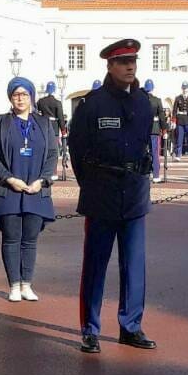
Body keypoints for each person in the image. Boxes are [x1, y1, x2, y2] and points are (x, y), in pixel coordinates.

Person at [68, 38, 156, 354]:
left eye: (133, 60)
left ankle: (130, 327)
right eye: (123, 62)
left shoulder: (145, 102)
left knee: (134, 265)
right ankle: (90, 329)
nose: (130, 66)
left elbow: (147, 144)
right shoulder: (93, 104)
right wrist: (90, 184)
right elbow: (76, 149)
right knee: (95, 264)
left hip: (133, 192)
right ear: (110, 65)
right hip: (101, 191)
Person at [0, 77, 57, 302]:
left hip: (36, 189)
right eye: (16, 94)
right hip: (9, 189)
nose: (20, 99)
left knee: (30, 240)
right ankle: (14, 285)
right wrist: (8, 178)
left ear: (31, 97)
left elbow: (53, 154)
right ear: (10, 97)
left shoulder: (44, 123)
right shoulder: (0, 122)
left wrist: (43, 180)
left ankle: (27, 284)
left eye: (24, 94)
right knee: (11, 238)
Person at [36, 81, 66, 181]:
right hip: (54, 128)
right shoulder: (57, 103)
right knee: (54, 151)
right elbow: (61, 118)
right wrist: (63, 131)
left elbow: (37, 113)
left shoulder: (40, 101)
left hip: (43, 126)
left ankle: (43, 172)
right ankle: (53, 172)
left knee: (44, 150)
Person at [144, 79, 168, 182]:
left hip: (143, 130)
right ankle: (156, 175)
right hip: (154, 128)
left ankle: (145, 173)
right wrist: (164, 130)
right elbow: (162, 117)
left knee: (144, 153)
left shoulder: (140, 100)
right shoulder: (157, 100)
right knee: (155, 153)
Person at [171, 82, 188, 160]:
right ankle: (178, 154)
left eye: (186, 88)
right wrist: (174, 121)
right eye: (183, 88)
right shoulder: (178, 98)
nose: (185, 90)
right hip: (180, 120)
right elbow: (174, 110)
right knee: (179, 138)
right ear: (182, 89)